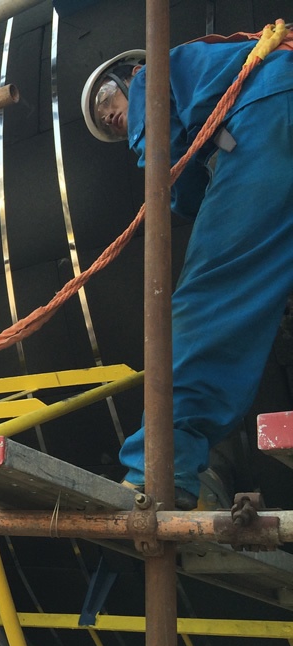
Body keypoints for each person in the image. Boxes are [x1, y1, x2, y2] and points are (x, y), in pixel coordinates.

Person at [81, 32, 293, 509]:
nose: (108, 116)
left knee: (211, 298)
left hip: (268, 117)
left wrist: (187, 194)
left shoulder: (149, 76)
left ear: (127, 73)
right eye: (103, 121)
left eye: (106, 100)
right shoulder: (212, 68)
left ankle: (161, 463)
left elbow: (165, 159)